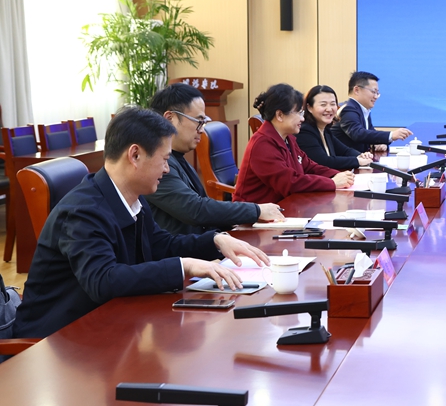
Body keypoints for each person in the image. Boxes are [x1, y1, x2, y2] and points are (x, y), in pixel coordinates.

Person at [12, 107, 267, 340]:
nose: (167, 169)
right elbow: (103, 280)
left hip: (105, 328)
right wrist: (184, 266)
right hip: (55, 343)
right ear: (135, 155)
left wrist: (214, 241)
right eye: (164, 159)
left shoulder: (132, 196)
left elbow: (158, 244)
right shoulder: (82, 211)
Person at [145, 83, 284, 235]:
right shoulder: (156, 163)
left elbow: (202, 209)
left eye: (204, 122)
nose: (202, 130)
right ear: (170, 118)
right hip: (184, 248)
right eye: (199, 121)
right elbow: (195, 210)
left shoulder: (177, 157)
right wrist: (256, 211)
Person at [234, 83, 354, 203]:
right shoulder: (262, 144)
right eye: (298, 113)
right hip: (258, 211)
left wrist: (338, 175)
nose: (302, 118)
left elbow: (309, 166)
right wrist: (332, 183)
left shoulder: (288, 137)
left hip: (285, 205)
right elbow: (290, 182)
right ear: (280, 115)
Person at [330, 71, 412, 153]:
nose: (376, 97)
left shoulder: (362, 109)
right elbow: (358, 134)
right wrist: (391, 135)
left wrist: (381, 143)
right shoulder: (348, 109)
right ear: (357, 90)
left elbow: (370, 133)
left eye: (377, 93)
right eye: (373, 92)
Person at [297, 85, 375, 171]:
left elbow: (345, 151)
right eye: (323, 105)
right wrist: (357, 161)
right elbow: (324, 161)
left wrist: (361, 155)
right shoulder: (304, 131)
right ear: (309, 107)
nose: (329, 109)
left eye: (333, 104)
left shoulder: (325, 130)